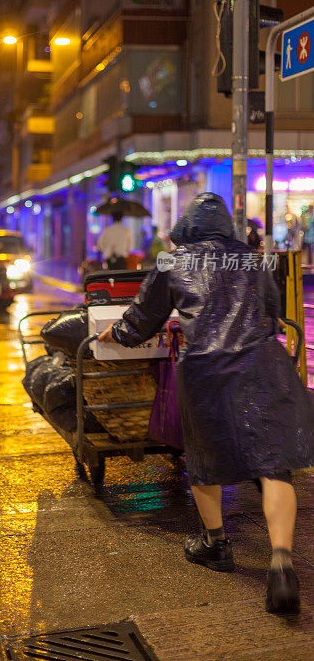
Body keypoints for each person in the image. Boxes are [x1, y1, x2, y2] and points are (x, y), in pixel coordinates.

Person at [98, 192, 314, 614]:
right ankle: (282, 562)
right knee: (273, 465)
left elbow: (144, 317)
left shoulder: (173, 262)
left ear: (187, 229)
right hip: (263, 363)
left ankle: (214, 544)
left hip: (207, 369)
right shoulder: (252, 259)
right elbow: (271, 312)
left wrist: (116, 335)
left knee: (204, 458)